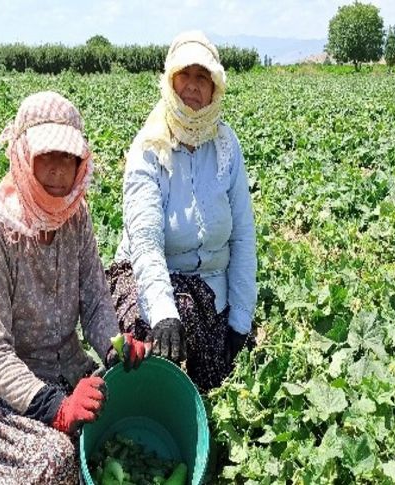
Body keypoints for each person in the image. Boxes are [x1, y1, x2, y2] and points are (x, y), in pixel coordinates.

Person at [0, 91, 148, 484]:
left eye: (68, 157)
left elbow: (94, 300)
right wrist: (57, 409)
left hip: (63, 367)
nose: (59, 171)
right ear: (24, 156)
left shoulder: (76, 215)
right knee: (55, 459)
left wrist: (115, 347)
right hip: (1, 388)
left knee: (116, 430)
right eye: (47, 156)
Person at [108, 30, 257, 392]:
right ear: (170, 81)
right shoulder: (149, 145)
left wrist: (241, 318)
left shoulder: (225, 144)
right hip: (150, 281)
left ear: (214, 89)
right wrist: (163, 312)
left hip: (212, 286)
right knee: (164, 338)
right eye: (184, 75)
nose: (192, 86)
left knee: (231, 373)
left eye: (202, 77)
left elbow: (243, 234)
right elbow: (145, 242)